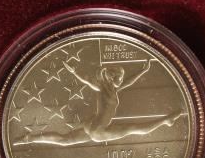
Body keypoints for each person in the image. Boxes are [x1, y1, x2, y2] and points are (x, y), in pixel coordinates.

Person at [15, 59, 185, 147]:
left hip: (91, 125)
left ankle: (30, 139)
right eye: (120, 77)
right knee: (134, 128)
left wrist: (143, 70)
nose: (122, 80)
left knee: (65, 140)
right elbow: (87, 80)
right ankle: (166, 120)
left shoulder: (111, 88)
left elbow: (129, 81)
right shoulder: (103, 87)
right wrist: (75, 72)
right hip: (98, 130)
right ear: (113, 78)